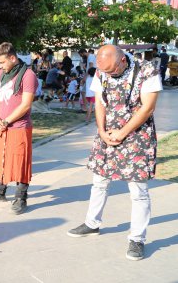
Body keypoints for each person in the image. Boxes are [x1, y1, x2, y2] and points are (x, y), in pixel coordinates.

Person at [67, 44, 162, 261]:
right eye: (104, 72)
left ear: (122, 60)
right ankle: (92, 223)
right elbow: (100, 103)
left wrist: (123, 132)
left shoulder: (148, 70)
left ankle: (137, 239)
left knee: (138, 191)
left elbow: (148, 108)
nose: (107, 75)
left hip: (137, 136)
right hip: (108, 133)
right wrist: (101, 131)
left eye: (112, 71)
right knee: (99, 182)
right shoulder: (102, 71)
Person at [0, 42, 38, 215]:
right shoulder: (1, 74)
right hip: (1, 125)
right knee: (1, 158)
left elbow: (26, 104)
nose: (0, 66)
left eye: (2, 62)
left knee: (20, 162)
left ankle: (21, 197)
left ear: (12, 58)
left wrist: (6, 121)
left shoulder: (28, 75)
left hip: (19, 126)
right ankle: (0, 191)